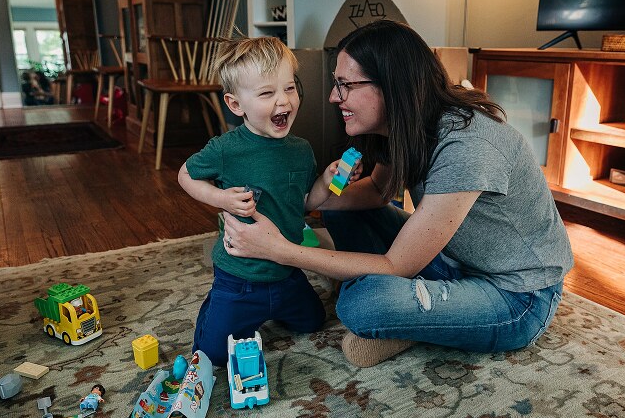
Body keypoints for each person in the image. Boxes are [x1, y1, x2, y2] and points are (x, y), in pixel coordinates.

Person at [222, 20, 574, 368]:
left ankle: (412, 322)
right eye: (335, 84)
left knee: (360, 305)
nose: (334, 97)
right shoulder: (407, 122)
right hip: (449, 259)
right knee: (340, 208)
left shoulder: (469, 146)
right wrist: (292, 206)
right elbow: (377, 190)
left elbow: (397, 265)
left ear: (391, 87)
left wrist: (280, 250)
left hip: (517, 296)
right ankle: (421, 313)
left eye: (345, 85)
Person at [178, 37, 359, 366]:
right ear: (236, 105)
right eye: (266, 93)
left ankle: (274, 307)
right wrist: (220, 197)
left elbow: (304, 203)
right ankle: (217, 306)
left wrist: (328, 181)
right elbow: (185, 176)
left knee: (313, 322)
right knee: (212, 356)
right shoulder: (226, 149)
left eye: (289, 88)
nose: (284, 102)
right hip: (240, 277)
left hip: (288, 272)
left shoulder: (301, 149)